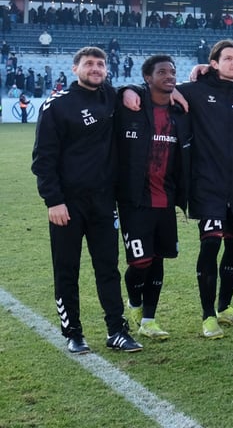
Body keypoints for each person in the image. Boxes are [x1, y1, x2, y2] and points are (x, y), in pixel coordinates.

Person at [32, 46, 142, 354]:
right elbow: (43, 159)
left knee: (108, 267)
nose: (95, 68)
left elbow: (140, 89)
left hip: (104, 202)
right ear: (75, 68)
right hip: (67, 204)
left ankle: (116, 331)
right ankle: (73, 332)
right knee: (66, 268)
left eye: (100, 64)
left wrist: (130, 90)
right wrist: (53, 200)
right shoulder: (57, 106)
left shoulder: (110, 96)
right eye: (89, 63)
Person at [153, 39, 233, 338]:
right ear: (213, 63)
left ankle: (225, 306)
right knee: (211, 243)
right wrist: (171, 89)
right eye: (228, 58)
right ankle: (207, 314)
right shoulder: (195, 90)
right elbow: (157, 92)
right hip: (208, 183)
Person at [115, 54, 191, 340]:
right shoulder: (131, 107)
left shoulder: (180, 113)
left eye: (173, 71)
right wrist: (126, 90)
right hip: (135, 202)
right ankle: (134, 302)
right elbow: (106, 93)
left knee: (158, 259)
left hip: (166, 201)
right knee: (140, 262)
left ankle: (149, 319)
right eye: (163, 72)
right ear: (148, 77)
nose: (170, 75)